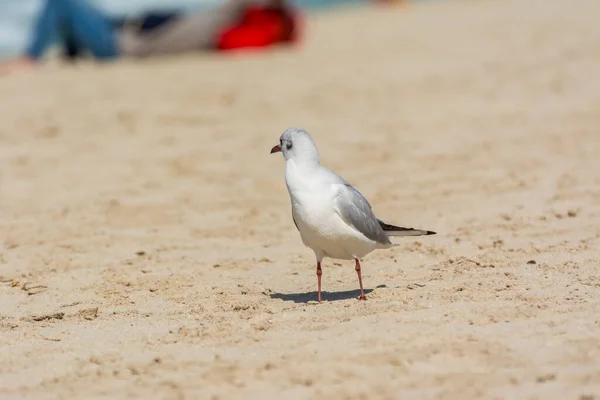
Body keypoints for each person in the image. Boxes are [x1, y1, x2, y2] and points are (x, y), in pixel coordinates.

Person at [0, 0, 300, 74]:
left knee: (62, 3)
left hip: (123, 46)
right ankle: (70, 53)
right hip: (126, 30)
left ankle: (30, 58)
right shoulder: (233, 18)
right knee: (82, 12)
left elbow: (236, 41)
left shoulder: (232, 22)